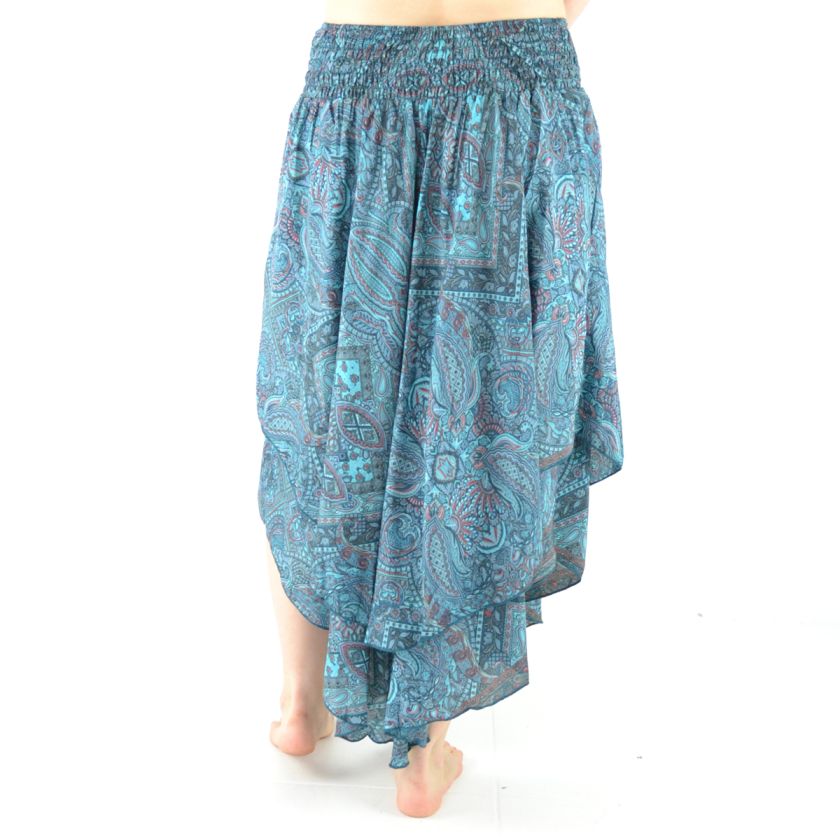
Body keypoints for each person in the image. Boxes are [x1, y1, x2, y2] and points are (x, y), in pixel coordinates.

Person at [256, 0, 624, 818]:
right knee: (480, 419)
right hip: (520, 87)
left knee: (320, 409)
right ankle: (425, 755)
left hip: (355, 85)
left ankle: (299, 705)